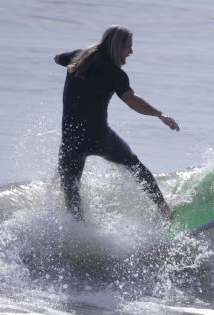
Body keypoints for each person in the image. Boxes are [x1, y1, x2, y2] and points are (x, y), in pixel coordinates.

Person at [54, 25, 179, 221]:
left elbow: (57, 57)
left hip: (70, 140)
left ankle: (78, 237)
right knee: (134, 165)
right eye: (128, 46)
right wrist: (160, 114)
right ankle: (164, 210)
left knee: (71, 194)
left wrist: (76, 57)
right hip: (99, 137)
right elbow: (131, 99)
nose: (131, 51)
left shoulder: (77, 58)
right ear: (116, 46)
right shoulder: (115, 74)